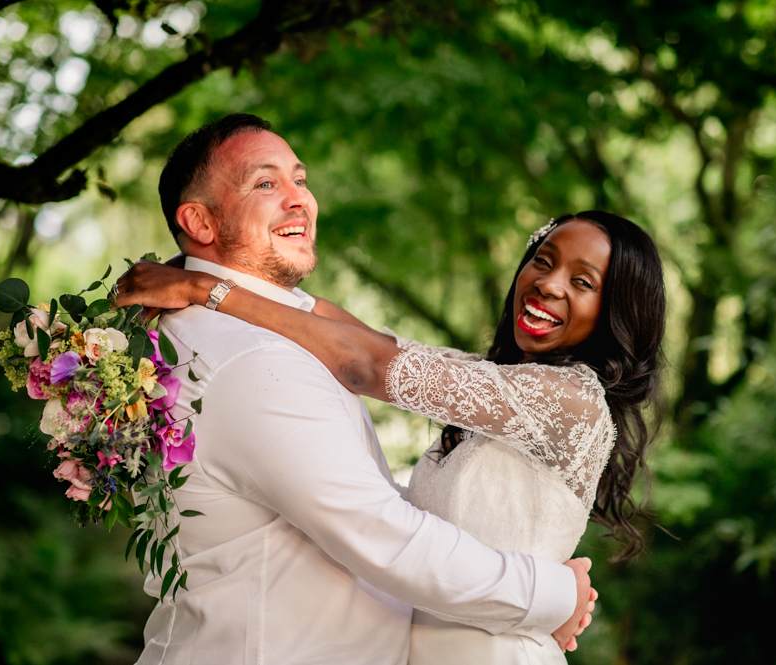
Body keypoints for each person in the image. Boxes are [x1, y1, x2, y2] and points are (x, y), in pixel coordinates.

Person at [117, 127, 667, 660]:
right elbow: (350, 333)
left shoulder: (569, 400)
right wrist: (203, 278)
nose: (548, 284)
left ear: (616, 312)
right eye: (543, 262)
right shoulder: (481, 382)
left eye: (583, 281)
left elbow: (363, 361)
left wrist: (201, 286)